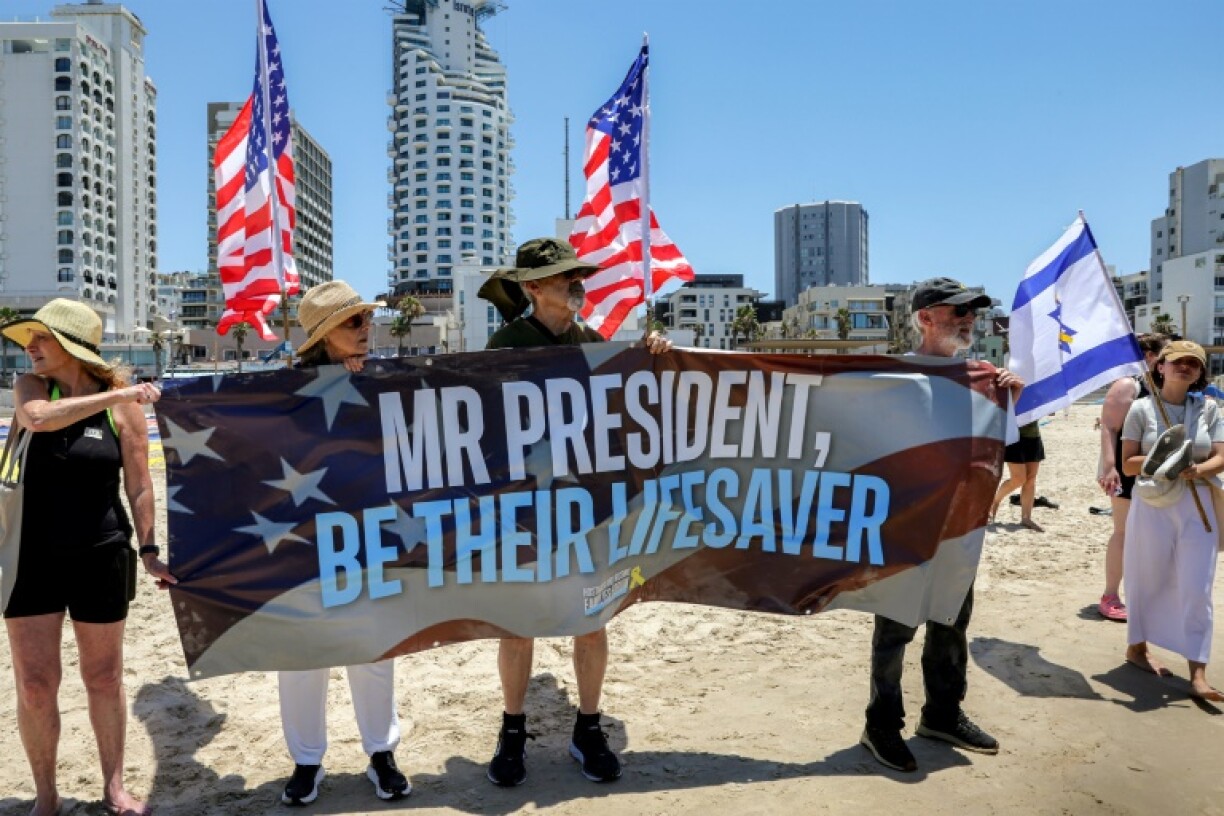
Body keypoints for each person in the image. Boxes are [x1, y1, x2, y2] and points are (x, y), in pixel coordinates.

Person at [477, 237, 673, 786]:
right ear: (533, 288)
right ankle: (512, 730)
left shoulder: (595, 341)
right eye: (566, 277)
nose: (577, 283)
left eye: (578, 274)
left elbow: (628, 401)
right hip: (525, 506)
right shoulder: (506, 343)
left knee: (593, 615)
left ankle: (588, 728)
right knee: (519, 622)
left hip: (589, 503)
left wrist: (652, 352)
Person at [1, 299, 173, 816]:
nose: (30, 347)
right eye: (29, 339)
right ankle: (47, 797)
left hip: (101, 553)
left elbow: (140, 484)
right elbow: (39, 420)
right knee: (35, 685)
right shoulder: (31, 388)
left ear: (72, 347)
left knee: (103, 678)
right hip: (29, 556)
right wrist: (122, 392)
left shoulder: (122, 411)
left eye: (42, 339)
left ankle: (114, 787)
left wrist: (148, 548)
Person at [861, 277, 1023, 773]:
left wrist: (1015, 400)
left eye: (972, 310)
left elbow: (1009, 451)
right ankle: (881, 724)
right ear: (924, 318)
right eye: (956, 311)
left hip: (962, 529)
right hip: (903, 528)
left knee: (952, 623)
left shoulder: (987, 379)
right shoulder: (891, 376)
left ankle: (942, 715)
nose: (968, 318)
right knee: (895, 629)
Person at [277, 280, 411, 805]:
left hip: (369, 535)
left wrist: (363, 386)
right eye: (354, 322)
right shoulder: (281, 389)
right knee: (302, 656)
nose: (366, 328)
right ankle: (307, 761)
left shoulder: (383, 379)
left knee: (374, 649)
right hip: (303, 541)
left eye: (365, 320)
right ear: (324, 334)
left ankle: (381, 753)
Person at [1119, 340, 1224, 701]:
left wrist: (1196, 469)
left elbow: (1221, 456)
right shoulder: (1141, 409)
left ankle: (1198, 672)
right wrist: (1165, 464)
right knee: (1145, 577)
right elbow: (1127, 464)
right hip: (1153, 504)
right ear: (1160, 366)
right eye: (1177, 361)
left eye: (1193, 363)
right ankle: (1137, 648)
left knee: (1198, 586)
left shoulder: (1209, 408)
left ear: (1199, 373)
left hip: (1199, 506)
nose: (1185, 367)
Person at [1096, 333, 1168, 621]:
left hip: (1154, 468)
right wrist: (1109, 467)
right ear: (1149, 356)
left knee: (1153, 533)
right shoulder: (1129, 385)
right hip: (1124, 469)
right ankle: (1110, 595)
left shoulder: (1162, 387)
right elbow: (1108, 427)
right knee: (1123, 531)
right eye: (1164, 355)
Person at [989, 420, 1046, 531]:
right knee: (1018, 479)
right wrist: (1015, 401)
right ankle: (995, 501)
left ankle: (1026, 518)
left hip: (1033, 434)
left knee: (1030, 479)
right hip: (1013, 436)